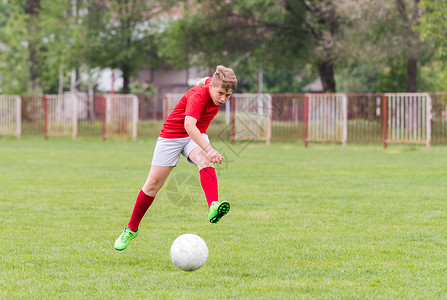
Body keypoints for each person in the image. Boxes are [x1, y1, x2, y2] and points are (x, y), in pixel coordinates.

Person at [114, 65, 237, 251]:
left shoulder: (212, 83)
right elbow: (189, 125)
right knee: (153, 184)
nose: (223, 99)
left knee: (204, 160)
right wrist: (210, 148)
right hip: (172, 136)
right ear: (212, 88)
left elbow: (203, 80)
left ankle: (213, 205)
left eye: (228, 96)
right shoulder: (198, 96)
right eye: (220, 93)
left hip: (195, 135)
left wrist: (206, 151)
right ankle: (131, 229)